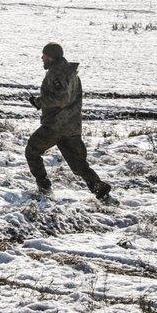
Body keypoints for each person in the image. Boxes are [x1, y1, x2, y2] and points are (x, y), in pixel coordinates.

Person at [25, 42, 112, 201]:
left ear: (50, 57)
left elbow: (62, 98)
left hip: (55, 126)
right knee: (79, 166)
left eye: (44, 55)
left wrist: (39, 102)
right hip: (71, 127)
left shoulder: (56, 73)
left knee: (32, 150)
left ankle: (44, 188)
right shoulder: (71, 73)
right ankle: (102, 192)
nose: (42, 58)